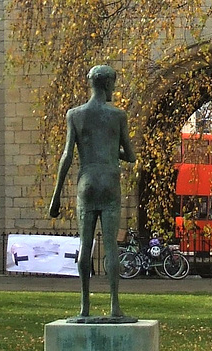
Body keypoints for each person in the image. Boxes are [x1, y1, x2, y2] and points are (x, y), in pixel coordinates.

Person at [49, 65, 136, 319]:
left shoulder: (75, 115)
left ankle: (84, 307)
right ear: (108, 84)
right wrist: (111, 152)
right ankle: (114, 306)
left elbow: (66, 156)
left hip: (86, 182)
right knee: (111, 247)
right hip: (109, 181)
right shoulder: (117, 115)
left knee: (85, 245)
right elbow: (130, 155)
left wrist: (55, 197)